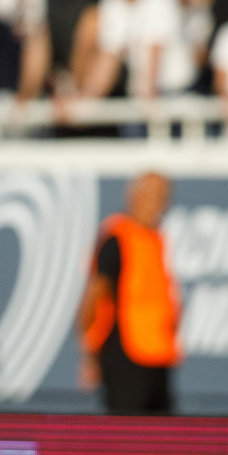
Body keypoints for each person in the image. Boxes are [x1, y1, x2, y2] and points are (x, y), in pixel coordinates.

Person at [75, 171, 180, 414]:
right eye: (151, 195)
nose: (158, 204)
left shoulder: (155, 239)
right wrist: (89, 356)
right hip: (126, 357)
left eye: (163, 196)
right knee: (127, 439)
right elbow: (92, 299)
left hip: (158, 355)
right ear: (133, 196)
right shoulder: (117, 239)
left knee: (161, 440)